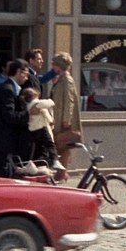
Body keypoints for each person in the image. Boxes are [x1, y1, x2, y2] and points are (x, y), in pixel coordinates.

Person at [0, 59, 37, 177]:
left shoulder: (10, 88)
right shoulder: (7, 90)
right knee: (1, 173)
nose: (27, 78)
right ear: (19, 72)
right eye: (26, 74)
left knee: (7, 171)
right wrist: (29, 114)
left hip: (1, 141)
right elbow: (9, 116)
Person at [50, 52, 84, 183]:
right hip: (58, 117)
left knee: (63, 146)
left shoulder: (67, 80)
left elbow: (70, 101)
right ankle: (61, 173)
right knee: (61, 146)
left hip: (63, 120)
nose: (52, 66)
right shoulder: (60, 79)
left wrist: (67, 119)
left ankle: (62, 173)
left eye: (54, 64)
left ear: (60, 65)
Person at [22, 87, 65, 171]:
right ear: (33, 96)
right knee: (50, 144)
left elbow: (44, 113)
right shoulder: (36, 103)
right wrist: (50, 100)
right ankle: (55, 160)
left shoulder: (27, 105)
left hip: (33, 129)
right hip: (41, 128)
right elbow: (50, 103)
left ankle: (37, 164)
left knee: (38, 147)